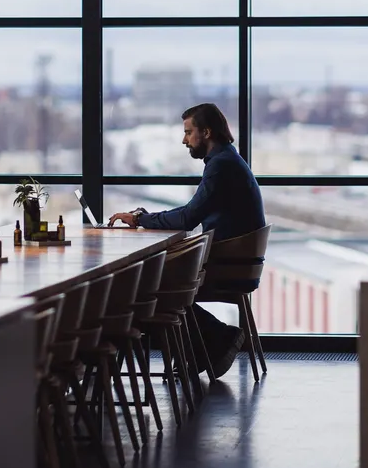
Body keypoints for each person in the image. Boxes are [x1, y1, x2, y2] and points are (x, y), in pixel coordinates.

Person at [108, 102, 265, 378]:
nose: (184, 140)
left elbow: (188, 218)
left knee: (153, 286)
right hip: (237, 261)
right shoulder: (227, 159)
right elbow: (191, 213)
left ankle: (218, 340)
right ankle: (205, 348)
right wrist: (146, 217)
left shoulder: (221, 165)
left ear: (206, 132)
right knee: (159, 280)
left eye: (188, 132)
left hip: (229, 265)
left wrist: (141, 219)